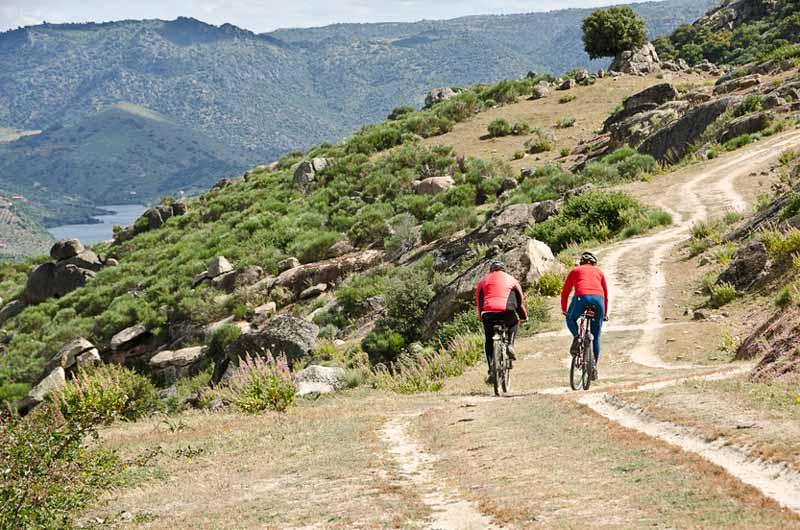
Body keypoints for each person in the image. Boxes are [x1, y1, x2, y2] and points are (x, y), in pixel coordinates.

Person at [475, 261, 528, 383]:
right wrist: (524, 316)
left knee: (489, 340)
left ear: (491, 270)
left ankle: (491, 370)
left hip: (488, 314)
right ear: (504, 270)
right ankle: (510, 345)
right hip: (507, 312)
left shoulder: (483, 281)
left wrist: (480, 316)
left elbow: (479, 302)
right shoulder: (512, 280)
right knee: (514, 322)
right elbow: (520, 302)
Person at [561, 251, 608, 380]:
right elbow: (606, 294)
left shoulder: (575, 271)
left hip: (582, 297)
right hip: (599, 301)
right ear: (594, 263)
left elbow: (565, 292)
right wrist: (604, 314)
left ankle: (577, 337)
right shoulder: (599, 272)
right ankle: (593, 367)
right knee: (596, 336)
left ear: (581, 262)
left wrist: (564, 310)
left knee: (570, 318)